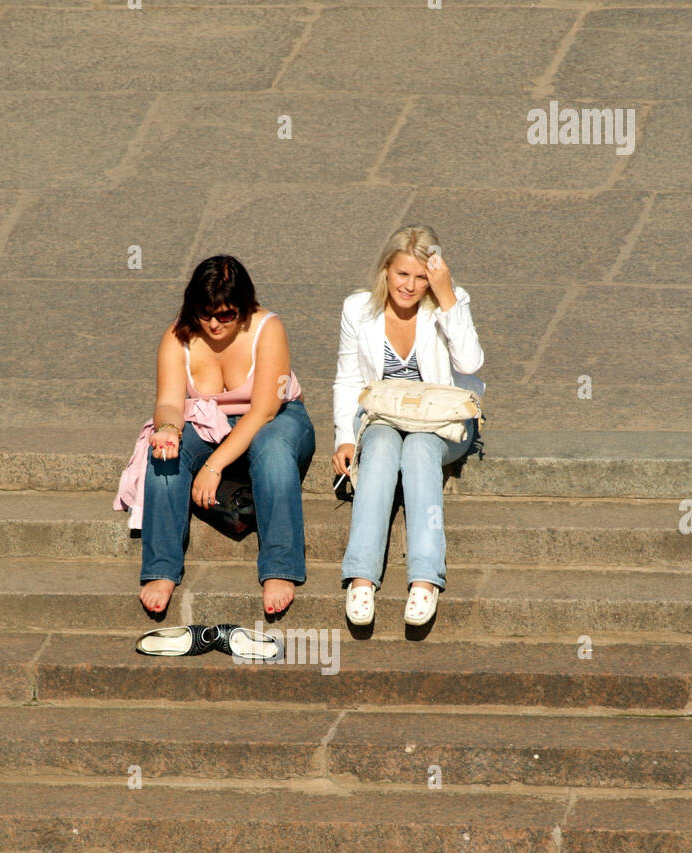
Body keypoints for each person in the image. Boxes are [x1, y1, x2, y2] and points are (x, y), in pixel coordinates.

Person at [117, 254, 315, 618]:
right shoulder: (179, 335)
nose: (213, 324)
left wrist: (213, 466)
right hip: (211, 421)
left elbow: (264, 411)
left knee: (272, 451)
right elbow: (169, 402)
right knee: (163, 454)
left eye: (225, 314)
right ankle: (161, 567)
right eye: (204, 314)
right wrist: (167, 430)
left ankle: (280, 567)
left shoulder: (267, 328)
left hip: (277, 417)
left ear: (243, 306)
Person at [332, 226, 485, 627]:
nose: (411, 286)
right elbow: (348, 379)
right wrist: (345, 438)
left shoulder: (450, 302)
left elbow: (470, 363)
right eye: (403, 274)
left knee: (418, 448)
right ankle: (361, 576)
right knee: (381, 447)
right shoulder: (358, 309)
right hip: (384, 417)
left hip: (443, 423)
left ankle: (425, 578)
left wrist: (447, 294)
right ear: (386, 270)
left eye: (421, 277)